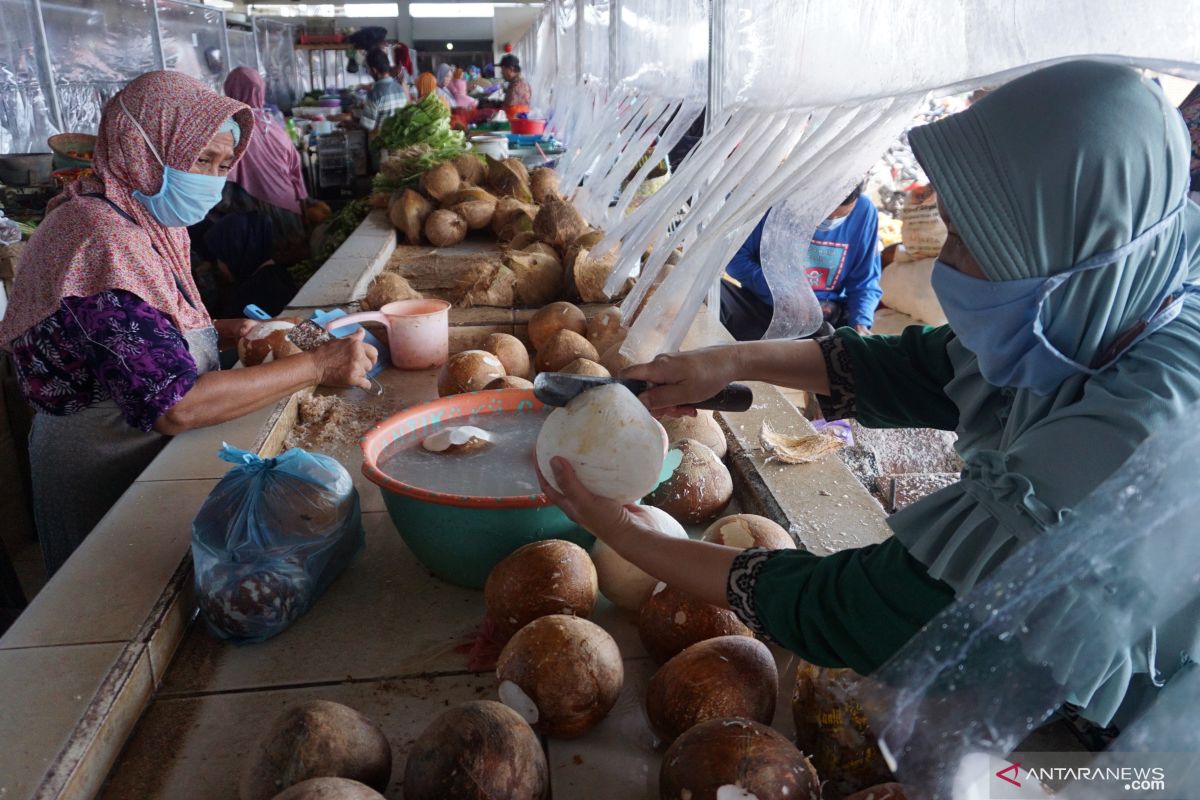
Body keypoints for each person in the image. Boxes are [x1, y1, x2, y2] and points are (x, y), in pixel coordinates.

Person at [540, 61, 1200, 731]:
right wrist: (726, 360)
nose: (947, 266)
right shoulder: (1110, 298)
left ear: (1070, 257)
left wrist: (626, 532)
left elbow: (865, 607)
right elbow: (922, 366)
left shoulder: (1136, 435)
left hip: (1140, 744)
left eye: (971, 244)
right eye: (951, 230)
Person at [0, 71, 376, 575]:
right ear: (144, 146)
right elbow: (173, 405)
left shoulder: (143, 216)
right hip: (104, 464)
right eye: (200, 160)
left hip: (139, 452)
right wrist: (319, 364)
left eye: (222, 165)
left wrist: (222, 329)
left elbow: (138, 326)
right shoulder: (100, 235)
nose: (211, 180)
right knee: (116, 599)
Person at [721, 184, 882, 340]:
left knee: (845, 347)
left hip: (827, 314)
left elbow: (865, 281)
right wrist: (782, 295)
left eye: (841, 217)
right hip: (767, 307)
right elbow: (736, 259)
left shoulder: (864, 211)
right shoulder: (777, 202)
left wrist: (860, 323)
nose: (830, 222)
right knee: (715, 298)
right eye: (823, 215)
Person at [220, 67, 309, 266]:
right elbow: (295, 167)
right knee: (299, 262)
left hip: (259, 211)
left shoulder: (233, 130)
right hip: (289, 205)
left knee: (269, 266)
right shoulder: (273, 123)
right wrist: (302, 201)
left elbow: (225, 179)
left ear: (230, 91)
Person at [360, 49, 408, 135]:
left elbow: (368, 126)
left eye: (368, 70)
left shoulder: (374, 93)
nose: (369, 73)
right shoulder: (400, 88)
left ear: (374, 70)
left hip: (382, 143)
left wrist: (351, 119)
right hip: (400, 142)